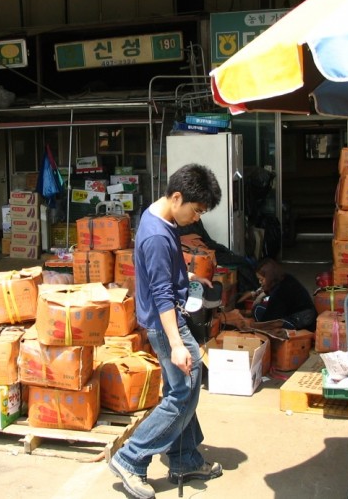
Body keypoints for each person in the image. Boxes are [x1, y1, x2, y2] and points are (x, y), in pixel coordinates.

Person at [109, 163, 223, 499]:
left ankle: (184, 459)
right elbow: (161, 294)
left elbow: (160, 272)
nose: (196, 218)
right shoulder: (159, 235)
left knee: (182, 388)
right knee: (183, 391)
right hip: (166, 323)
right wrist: (177, 344)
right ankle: (131, 458)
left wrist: (187, 277)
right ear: (176, 197)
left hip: (164, 318)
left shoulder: (159, 216)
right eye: (196, 210)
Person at [237, 258, 317, 331]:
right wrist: (261, 295)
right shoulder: (285, 278)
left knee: (258, 310)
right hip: (308, 314)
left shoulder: (279, 291)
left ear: (269, 277)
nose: (260, 282)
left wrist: (249, 322)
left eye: (261, 280)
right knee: (259, 308)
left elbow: (268, 319)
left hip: (302, 320)